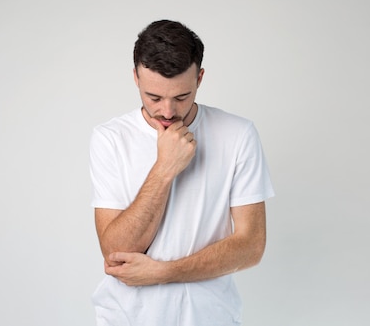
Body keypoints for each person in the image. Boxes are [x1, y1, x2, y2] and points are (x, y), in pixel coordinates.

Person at [89, 19, 275, 325]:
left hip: (210, 317)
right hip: (126, 318)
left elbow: (251, 247)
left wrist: (164, 273)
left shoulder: (238, 134)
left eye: (180, 97)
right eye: (154, 97)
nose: (167, 111)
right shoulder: (110, 138)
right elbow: (116, 252)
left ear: (199, 78)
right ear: (135, 77)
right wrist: (164, 168)